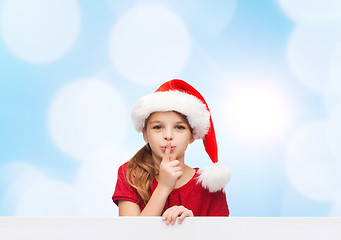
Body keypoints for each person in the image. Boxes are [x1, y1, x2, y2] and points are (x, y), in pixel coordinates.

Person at [112, 79, 231, 225]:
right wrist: (163, 187)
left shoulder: (210, 185)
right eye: (157, 127)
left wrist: (192, 226)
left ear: (192, 136)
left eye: (179, 127)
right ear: (145, 134)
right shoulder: (130, 174)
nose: (168, 135)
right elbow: (129, 234)